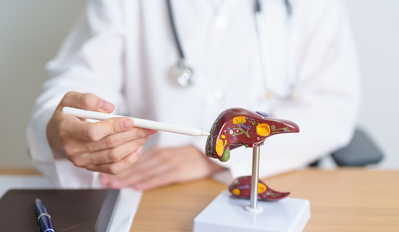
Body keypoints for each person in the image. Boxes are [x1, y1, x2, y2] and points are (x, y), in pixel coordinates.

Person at [27, 0, 361, 189]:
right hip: (146, 193)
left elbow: (333, 107)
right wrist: (63, 131)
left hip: (270, 181)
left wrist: (210, 155)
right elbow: (77, 85)